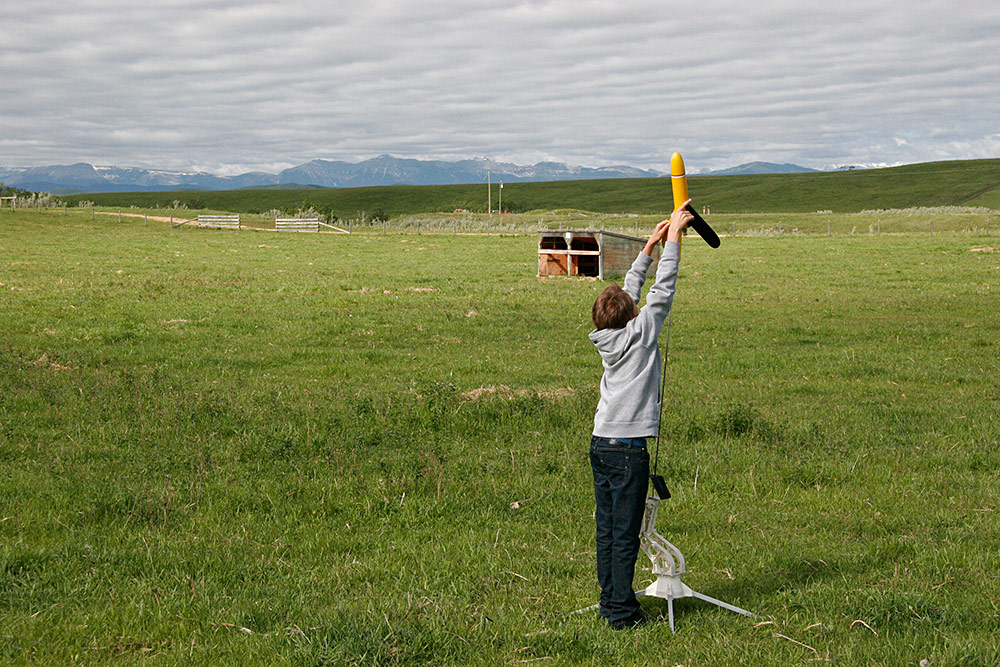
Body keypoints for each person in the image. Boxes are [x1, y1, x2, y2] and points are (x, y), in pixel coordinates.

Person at [588, 201, 693, 629]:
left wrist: (647, 248)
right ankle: (621, 613)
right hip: (629, 450)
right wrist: (671, 243)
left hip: (600, 445)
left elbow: (632, 294)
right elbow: (662, 291)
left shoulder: (608, 335)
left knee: (608, 532)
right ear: (632, 317)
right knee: (626, 536)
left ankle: (610, 601)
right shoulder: (642, 330)